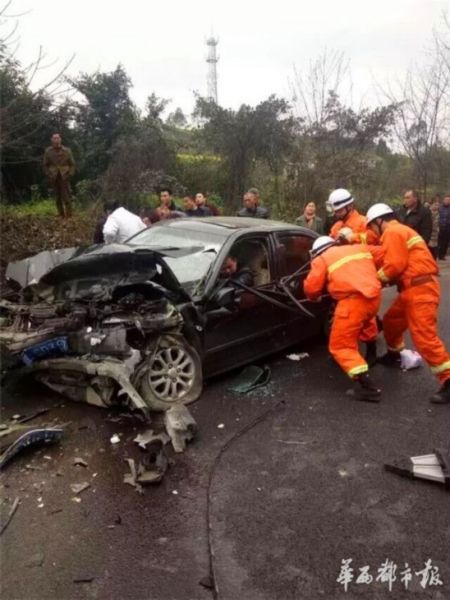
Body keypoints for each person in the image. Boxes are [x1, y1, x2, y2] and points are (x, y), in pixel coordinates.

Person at [365, 203, 450, 404]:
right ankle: (394, 354)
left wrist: (373, 281)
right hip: (413, 289)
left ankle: (448, 380)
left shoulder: (392, 232)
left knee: (424, 338)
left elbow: (394, 265)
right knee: (391, 321)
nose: (373, 232)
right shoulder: (401, 230)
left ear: (379, 221)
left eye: (372, 227)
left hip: (420, 289)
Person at [304, 236, 382, 401]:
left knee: (340, 346)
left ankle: (367, 386)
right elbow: (383, 253)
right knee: (366, 322)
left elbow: (311, 288)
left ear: (318, 252)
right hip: (373, 298)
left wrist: (314, 296)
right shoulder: (359, 248)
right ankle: (372, 353)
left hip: (352, 303)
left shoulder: (322, 259)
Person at [43, 133, 75, 218]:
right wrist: (48, 174)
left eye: (58, 138)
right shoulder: (48, 151)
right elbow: (45, 165)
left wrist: (70, 174)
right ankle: (61, 214)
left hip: (65, 176)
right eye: (54, 138)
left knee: (67, 197)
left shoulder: (67, 150)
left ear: (60, 139)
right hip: (53, 176)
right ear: (52, 140)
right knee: (57, 197)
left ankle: (69, 215)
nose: (56, 140)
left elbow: (72, 164)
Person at [438, 193, 450, 260]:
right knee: (439, 241)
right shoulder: (440, 208)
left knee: (445, 242)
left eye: (449, 200)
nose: (447, 201)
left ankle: (442, 255)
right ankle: (438, 254)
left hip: (448, 228)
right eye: (446, 200)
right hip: (440, 227)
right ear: (443, 200)